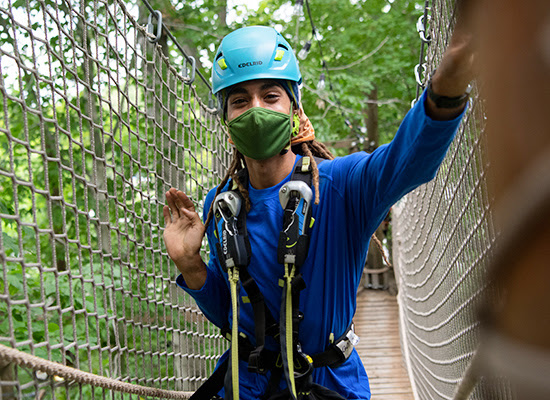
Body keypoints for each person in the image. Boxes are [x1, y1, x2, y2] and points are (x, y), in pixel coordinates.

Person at [162, 18, 475, 400]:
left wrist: (445, 93)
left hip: (327, 386)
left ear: (294, 107)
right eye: (240, 101)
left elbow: (407, 162)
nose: (256, 110)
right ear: (226, 120)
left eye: (271, 96)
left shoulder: (341, 186)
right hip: (247, 388)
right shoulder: (222, 205)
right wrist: (191, 265)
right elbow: (232, 317)